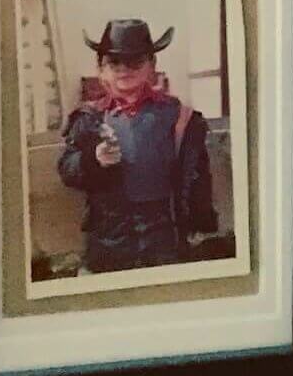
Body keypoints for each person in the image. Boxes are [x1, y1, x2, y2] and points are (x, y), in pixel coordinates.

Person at [56, 19, 218, 273]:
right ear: (101, 69)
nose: (124, 69)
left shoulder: (179, 116)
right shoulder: (88, 118)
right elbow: (67, 169)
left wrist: (201, 222)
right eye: (114, 62)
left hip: (165, 240)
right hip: (108, 242)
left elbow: (198, 174)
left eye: (135, 62)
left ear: (151, 66)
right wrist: (93, 160)